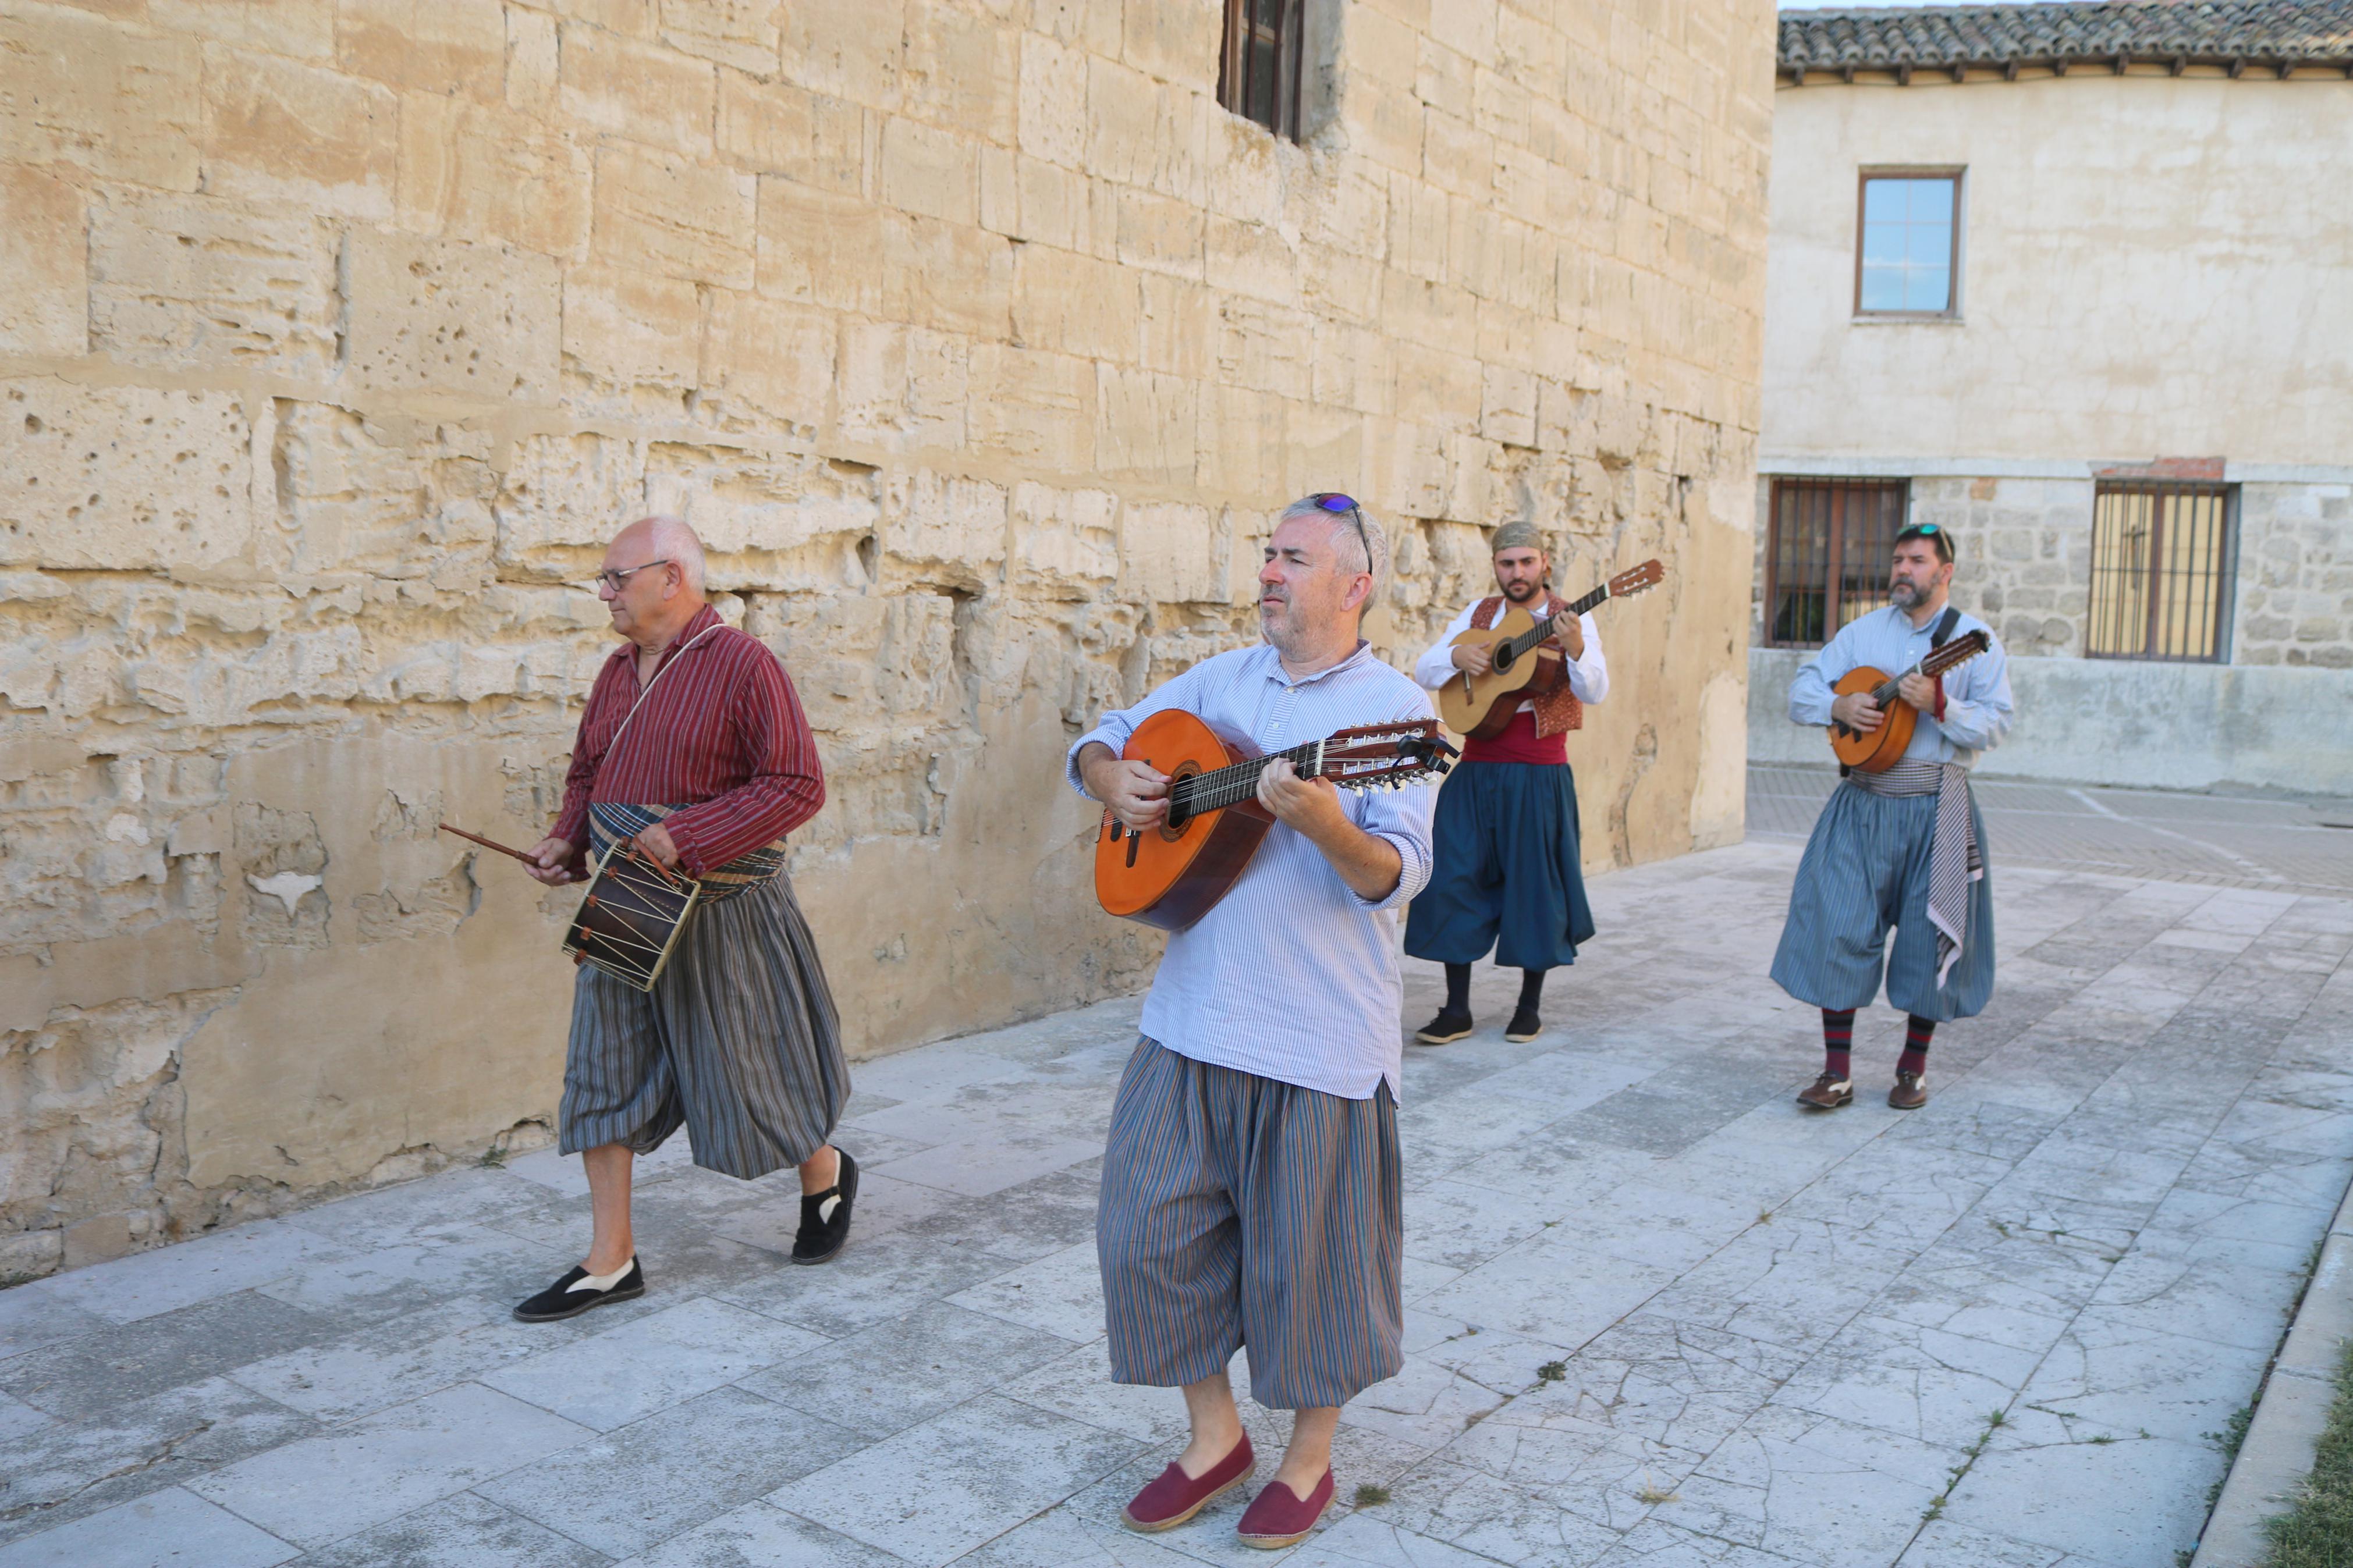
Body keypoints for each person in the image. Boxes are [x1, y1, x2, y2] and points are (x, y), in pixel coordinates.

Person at [1068, 493, 1435, 1551]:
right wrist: (1121, 785)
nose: (1269, 573)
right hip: (1186, 1024)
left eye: (1294, 559)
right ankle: (1213, 1438)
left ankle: (1307, 1462)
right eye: (1267, 555)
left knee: (1312, 1271)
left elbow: (1393, 877)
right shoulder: (1220, 680)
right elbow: (1098, 742)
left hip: (1318, 1043)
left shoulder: (1397, 720)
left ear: (1352, 586)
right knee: (1143, 1240)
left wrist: (1326, 825)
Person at [512, 515, 856, 1322]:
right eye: (602, 579)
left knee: (751, 1068)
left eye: (614, 576)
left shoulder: (743, 664)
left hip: (722, 902)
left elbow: (796, 784)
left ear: (671, 577)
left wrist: (687, 834)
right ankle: (610, 1257)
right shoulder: (615, 671)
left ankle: (824, 1169)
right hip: (627, 902)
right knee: (601, 1068)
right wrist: (567, 837)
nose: (603, 592)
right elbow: (588, 770)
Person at [1771, 521, 2014, 1111]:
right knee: (1836, 923)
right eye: (1897, 559)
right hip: (1861, 799)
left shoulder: (1975, 640)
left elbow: (1997, 724)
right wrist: (1837, 703)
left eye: (1916, 560)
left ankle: (1912, 1067)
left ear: (1944, 572)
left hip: (1938, 804)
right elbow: (1801, 688)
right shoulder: (1860, 634)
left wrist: (1941, 704)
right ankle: (1835, 1073)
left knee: (1927, 937)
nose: (1902, 569)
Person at [1403, 520, 1609, 1044]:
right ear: (1495, 566)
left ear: (1544, 561)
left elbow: (1595, 691)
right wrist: (1455, 656)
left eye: (1526, 562)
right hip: (1475, 769)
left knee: (1533, 886)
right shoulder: (1479, 616)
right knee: (1451, 875)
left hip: (1538, 773)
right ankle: (1456, 1009)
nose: (1516, 573)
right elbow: (1425, 669)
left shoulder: (1567, 617)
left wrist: (1578, 646)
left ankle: (1528, 1006)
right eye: (1506, 563)